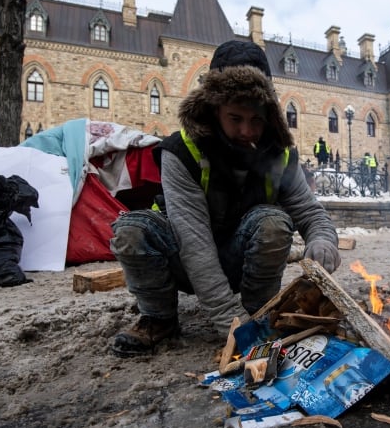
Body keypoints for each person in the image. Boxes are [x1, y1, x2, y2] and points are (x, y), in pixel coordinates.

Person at [109, 40, 341, 357]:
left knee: (273, 223)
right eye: (235, 118)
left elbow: (310, 214)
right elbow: (194, 245)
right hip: (179, 259)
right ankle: (158, 317)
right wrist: (233, 325)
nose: (247, 131)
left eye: (256, 119)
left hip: (239, 259)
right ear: (214, 109)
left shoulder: (278, 154)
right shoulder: (183, 151)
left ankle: (261, 311)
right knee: (132, 230)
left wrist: (323, 240)